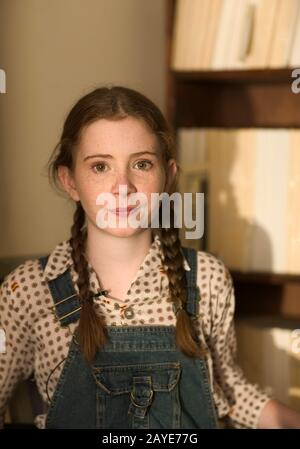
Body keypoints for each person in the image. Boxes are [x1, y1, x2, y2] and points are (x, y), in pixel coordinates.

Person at [0, 86, 300, 429]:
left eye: (141, 164)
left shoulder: (207, 278)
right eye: (100, 167)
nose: (123, 186)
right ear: (70, 181)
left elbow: (229, 392)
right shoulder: (27, 290)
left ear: (168, 175)